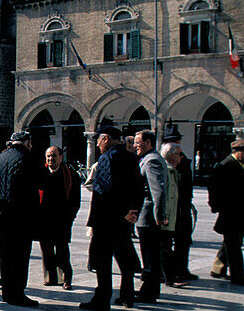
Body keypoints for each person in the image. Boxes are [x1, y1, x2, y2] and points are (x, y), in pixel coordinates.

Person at [80, 125, 142, 311]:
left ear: (105, 138)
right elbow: (139, 186)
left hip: (106, 219)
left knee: (103, 261)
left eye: (98, 139)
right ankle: (127, 296)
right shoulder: (131, 157)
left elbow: (107, 190)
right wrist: (133, 211)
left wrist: (122, 210)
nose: (97, 144)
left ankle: (102, 299)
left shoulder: (107, 158)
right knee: (124, 259)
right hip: (124, 220)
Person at [0, 131, 44, 307]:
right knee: (20, 255)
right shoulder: (29, 158)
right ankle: (18, 293)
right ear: (27, 142)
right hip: (23, 215)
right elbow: (43, 181)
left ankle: (7, 292)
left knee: (6, 254)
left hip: (3, 214)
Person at [209, 137, 244, 287]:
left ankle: (218, 269)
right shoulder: (225, 165)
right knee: (234, 245)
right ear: (239, 152)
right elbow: (214, 188)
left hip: (242, 211)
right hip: (230, 212)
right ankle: (238, 276)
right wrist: (217, 208)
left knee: (231, 242)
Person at [40, 145, 81, 290]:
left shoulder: (70, 175)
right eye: (48, 156)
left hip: (63, 219)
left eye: (54, 156)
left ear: (61, 157)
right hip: (44, 220)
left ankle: (66, 279)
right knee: (46, 250)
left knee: (62, 250)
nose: (51, 159)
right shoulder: (42, 173)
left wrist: (70, 217)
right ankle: (50, 277)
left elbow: (76, 200)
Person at [135, 129, 167, 303]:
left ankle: (149, 291)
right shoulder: (148, 158)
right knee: (150, 255)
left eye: (138, 142)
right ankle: (149, 289)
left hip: (148, 217)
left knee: (150, 256)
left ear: (148, 142)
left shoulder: (152, 160)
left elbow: (158, 191)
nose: (135, 145)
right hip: (146, 216)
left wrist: (159, 216)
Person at [158, 142, 188, 287]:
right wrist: (164, 216)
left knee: (166, 247)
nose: (181, 157)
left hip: (172, 217)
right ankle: (168, 277)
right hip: (166, 218)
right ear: (171, 155)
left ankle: (168, 276)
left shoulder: (174, 171)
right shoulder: (167, 171)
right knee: (165, 248)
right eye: (178, 154)